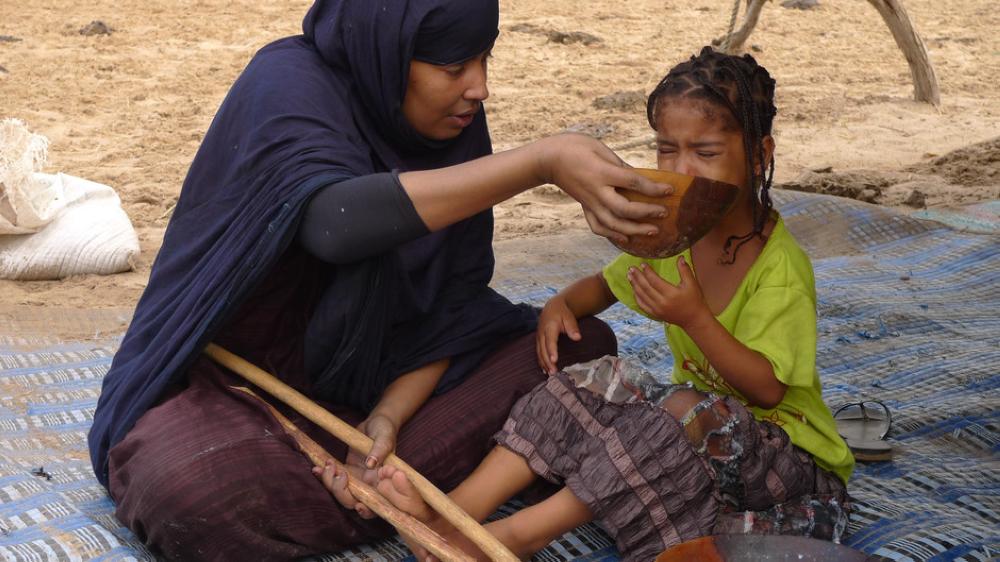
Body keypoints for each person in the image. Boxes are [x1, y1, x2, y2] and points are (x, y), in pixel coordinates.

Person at [86, 1, 674, 560]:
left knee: (576, 347)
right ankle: (409, 496)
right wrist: (538, 163)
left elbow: (449, 310)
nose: (480, 88)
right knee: (189, 490)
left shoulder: (454, 119)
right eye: (453, 67)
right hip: (236, 388)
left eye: (484, 60)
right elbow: (334, 224)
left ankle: (388, 490)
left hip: (383, 386)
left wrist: (386, 420)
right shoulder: (286, 81)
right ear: (387, 51)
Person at [353, 47, 856, 561]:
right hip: (702, 443)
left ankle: (512, 540)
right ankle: (455, 512)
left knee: (671, 413)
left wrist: (695, 320)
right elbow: (606, 284)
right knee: (592, 378)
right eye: (666, 150)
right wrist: (560, 304)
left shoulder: (780, 269)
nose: (681, 170)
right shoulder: (678, 230)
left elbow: (767, 390)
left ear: (758, 155)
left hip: (788, 469)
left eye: (705, 153)